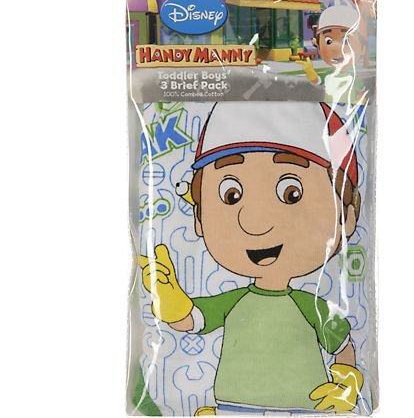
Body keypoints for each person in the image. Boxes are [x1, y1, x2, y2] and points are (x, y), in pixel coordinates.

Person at [138, 101, 363, 415]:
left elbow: (342, 345)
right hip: (233, 409)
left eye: (292, 194)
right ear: (199, 217)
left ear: (346, 216)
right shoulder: (234, 303)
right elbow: (192, 320)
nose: (255, 223)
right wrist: (170, 301)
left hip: (305, 410)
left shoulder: (313, 307)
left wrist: (347, 384)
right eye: (231, 195)